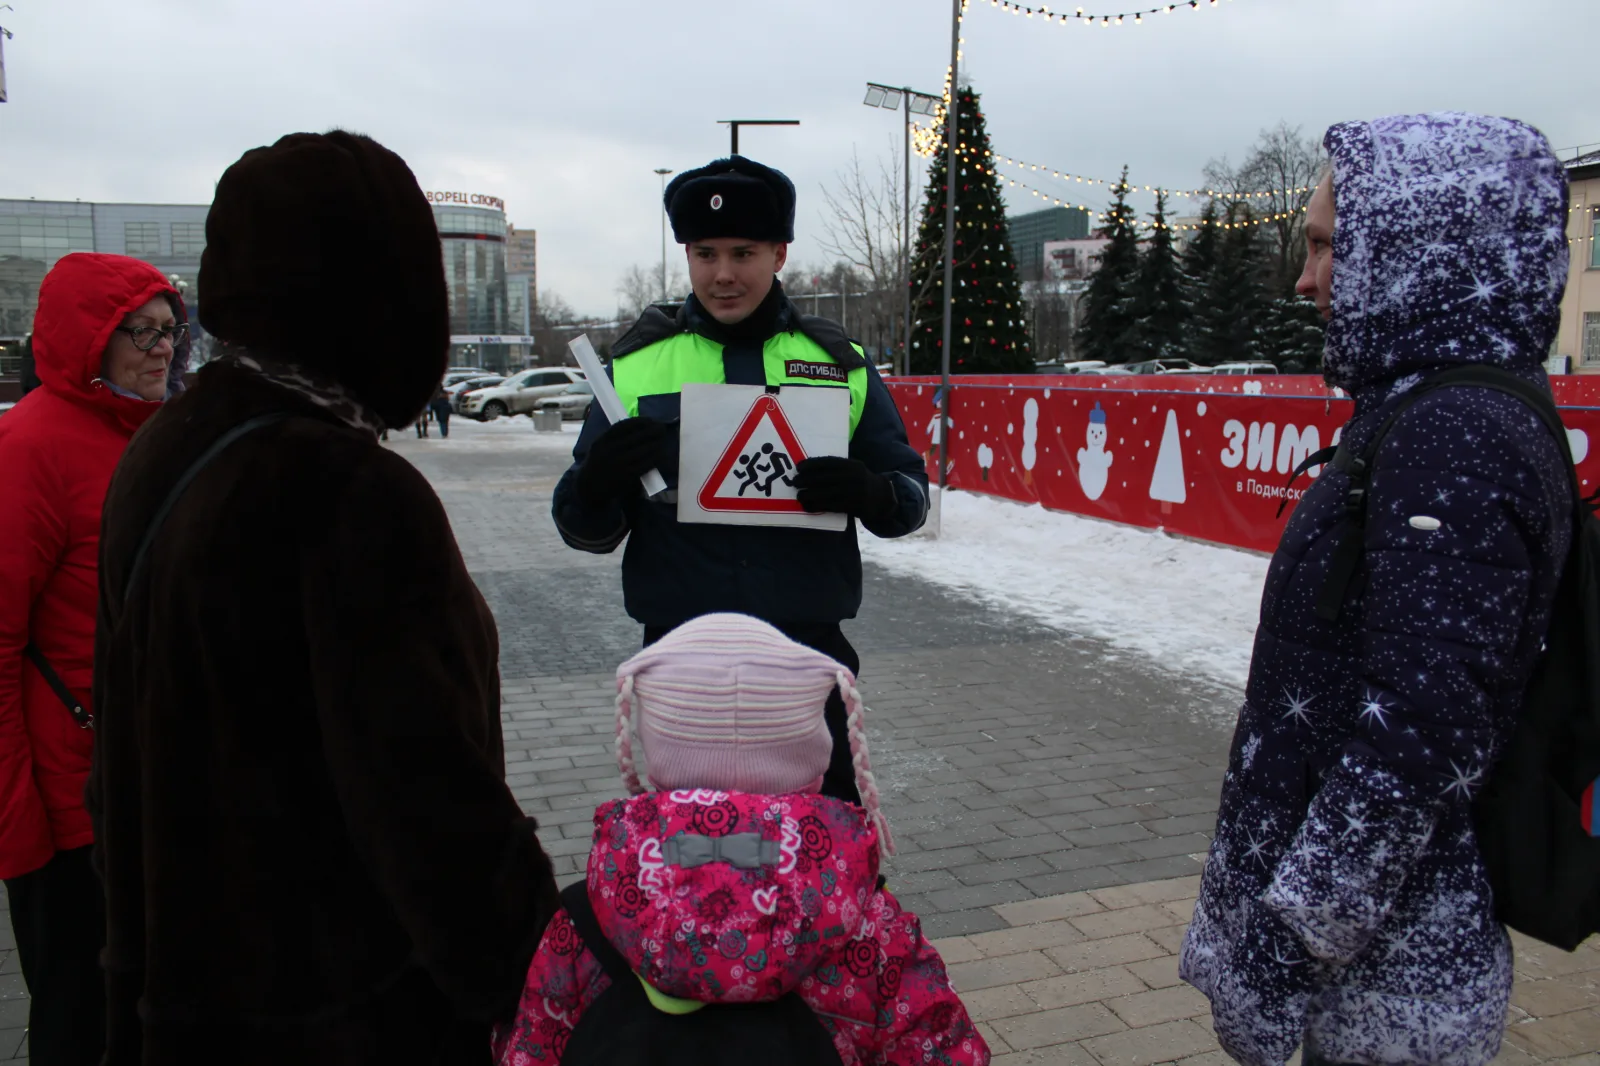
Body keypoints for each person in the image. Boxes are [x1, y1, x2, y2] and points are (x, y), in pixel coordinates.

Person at [89, 131, 561, 1065]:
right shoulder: (348, 493)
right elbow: (428, 803)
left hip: (181, 998)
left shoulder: (166, 445)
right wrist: (547, 971)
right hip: (342, 1016)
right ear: (383, 291)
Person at [1180, 113, 1575, 1066]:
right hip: (1375, 954)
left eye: (1325, 246)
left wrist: (1293, 931)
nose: (1306, 279)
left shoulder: (1457, 434)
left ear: (1419, 247)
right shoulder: (1428, 412)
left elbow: (1426, 726)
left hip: (1382, 968)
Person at [552, 156, 929, 805]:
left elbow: (910, 499)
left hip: (806, 661)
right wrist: (596, 482)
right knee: (690, 870)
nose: (723, 274)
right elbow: (579, 528)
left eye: (744, 252)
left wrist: (872, 491)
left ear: (780, 253)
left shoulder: (840, 363)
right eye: (705, 253)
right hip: (680, 666)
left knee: (826, 863)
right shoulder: (635, 368)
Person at [493, 613, 988, 1066]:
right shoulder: (867, 927)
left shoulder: (587, 922)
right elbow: (945, 1051)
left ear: (656, 757)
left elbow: (529, 1052)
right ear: (813, 764)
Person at [0, 253, 186, 1066]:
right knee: (83, 1020)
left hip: (154, 790)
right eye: (137, 332)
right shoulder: (26, 447)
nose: (159, 350)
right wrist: (20, 833)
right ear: (86, 340)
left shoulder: (157, 436)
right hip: (67, 813)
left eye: (169, 332)